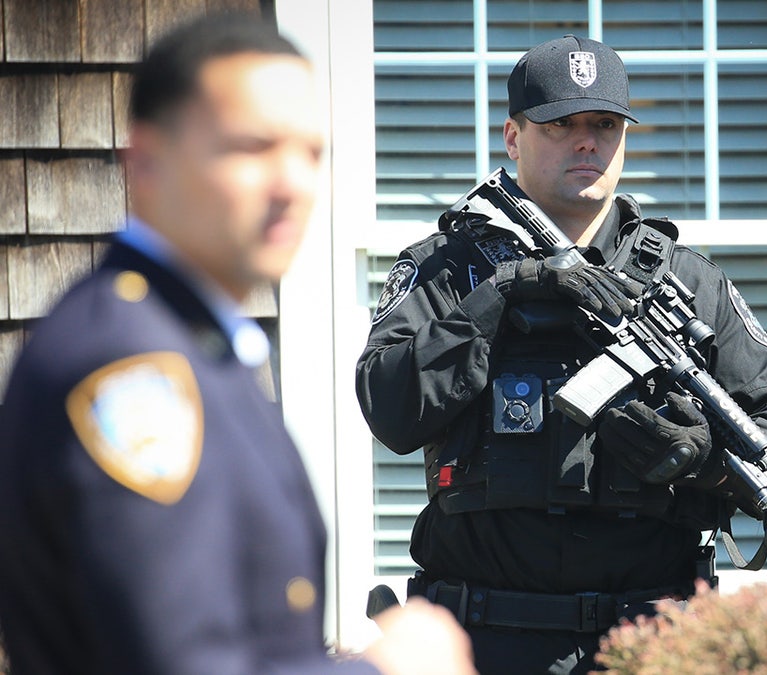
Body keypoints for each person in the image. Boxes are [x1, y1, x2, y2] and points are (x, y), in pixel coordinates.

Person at [0, 13, 475, 675]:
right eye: (251, 147)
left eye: (310, 153)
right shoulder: (128, 370)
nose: (291, 184)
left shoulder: (190, 342)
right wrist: (387, 670)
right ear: (146, 162)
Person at [356, 34, 767, 674]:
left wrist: (707, 455)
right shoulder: (448, 272)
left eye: (605, 124)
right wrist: (502, 296)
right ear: (512, 136)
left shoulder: (685, 284)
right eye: (561, 125)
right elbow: (388, 406)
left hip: (651, 645)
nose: (587, 142)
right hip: (485, 640)